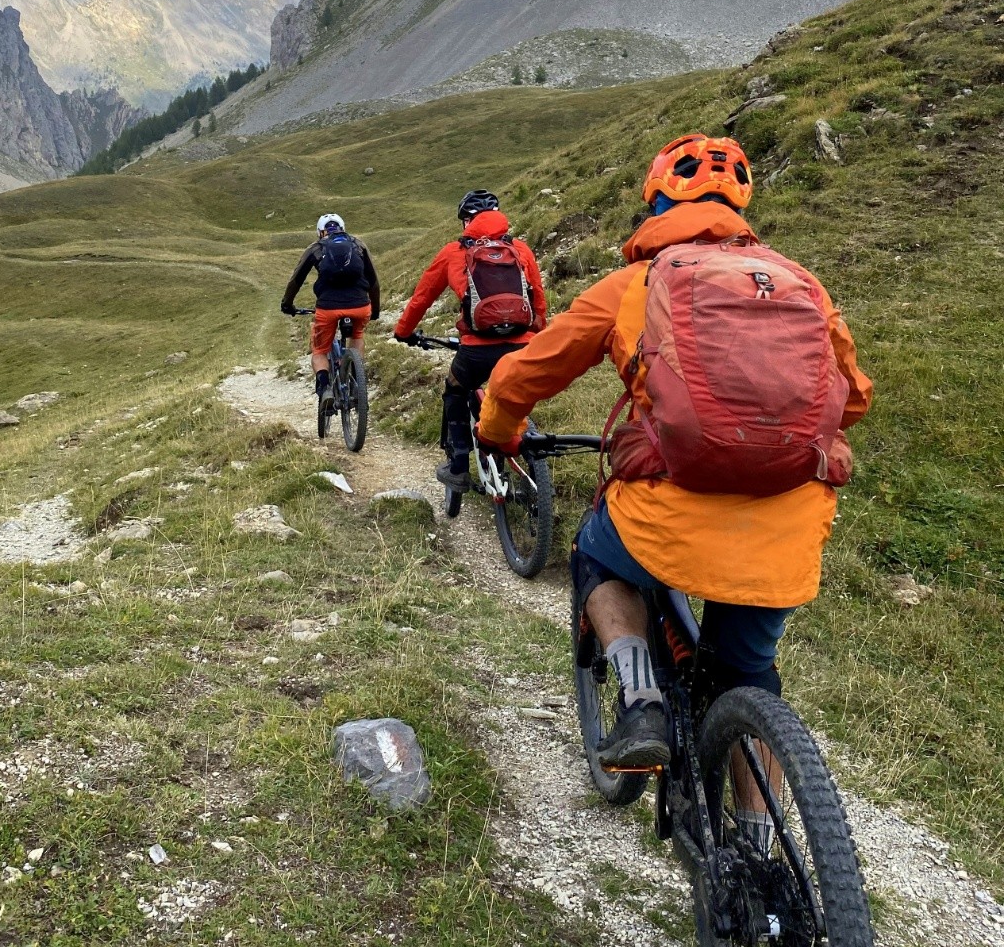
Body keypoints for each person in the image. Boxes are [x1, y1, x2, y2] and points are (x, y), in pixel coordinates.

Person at [476, 134, 872, 771]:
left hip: (669, 512)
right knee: (747, 676)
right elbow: (851, 400)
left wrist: (499, 432)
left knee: (596, 556)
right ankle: (759, 844)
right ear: (739, 206)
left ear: (656, 201)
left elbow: (521, 377)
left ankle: (641, 704)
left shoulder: (630, 284)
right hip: (787, 520)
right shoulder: (799, 285)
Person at [394, 190, 546, 490]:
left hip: (477, 349)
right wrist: (538, 335)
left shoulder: (454, 252)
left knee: (455, 391)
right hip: (522, 345)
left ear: (466, 222)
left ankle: (459, 465)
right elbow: (537, 297)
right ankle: (530, 463)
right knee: (512, 394)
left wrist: (403, 331)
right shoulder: (520, 250)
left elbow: (422, 297)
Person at [282, 214, 380, 405]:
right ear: (343, 227)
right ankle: (356, 382)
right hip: (360, 306)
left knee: (319, 350)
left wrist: (287, 304)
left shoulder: (316, 248)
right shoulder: (358, 244)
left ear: (320, 232)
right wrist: (375, 309)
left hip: (328, 308)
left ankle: (325, 388)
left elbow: (296, 280)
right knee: (357, 336)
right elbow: (374, 281)